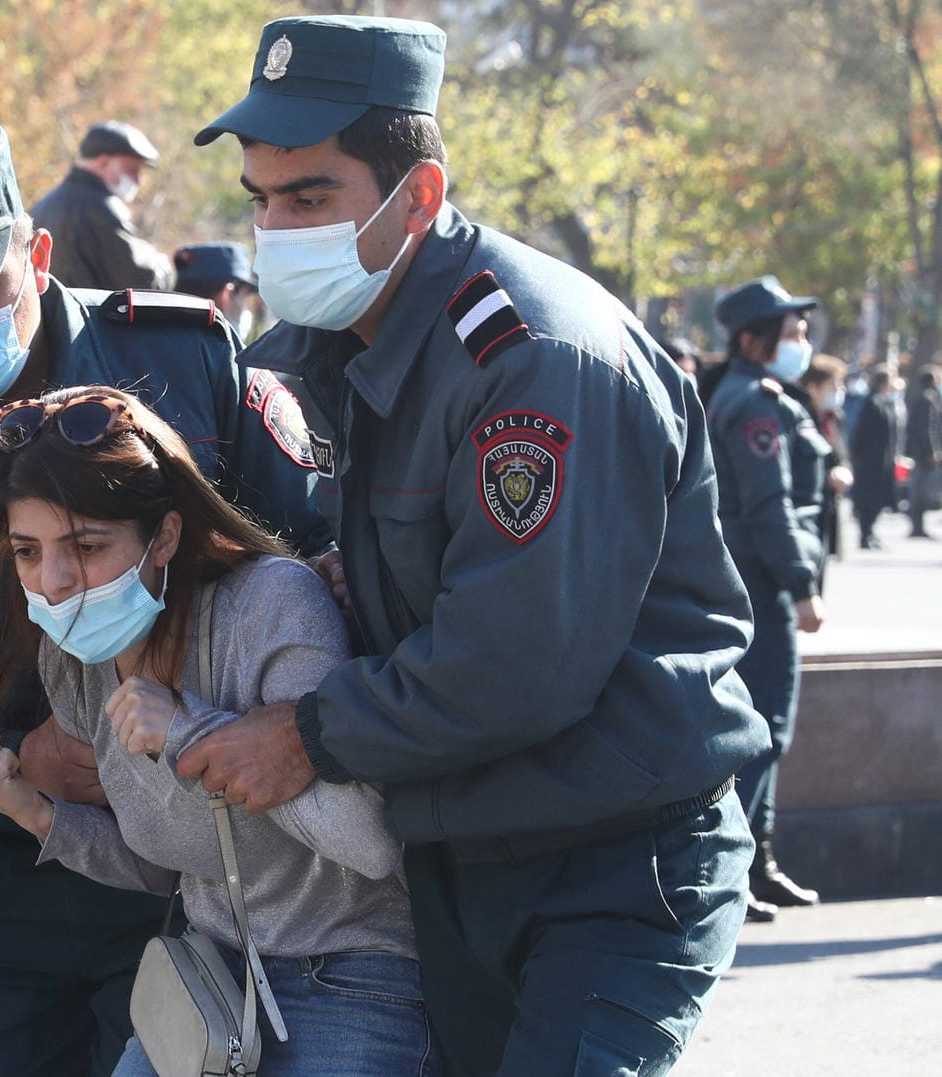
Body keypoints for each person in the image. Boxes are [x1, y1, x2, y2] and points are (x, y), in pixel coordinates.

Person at [172, 16, 768, 1075]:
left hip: (613, 862)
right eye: (262, 199)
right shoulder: (321, 342)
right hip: (459, 858)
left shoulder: (532, 358)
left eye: (311, 197)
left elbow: (515, 661)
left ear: (422, 195)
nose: (276, 228)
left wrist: (305, 733)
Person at [0, 118, 332, 1077]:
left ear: (35, 254)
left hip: (204, 877)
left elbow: (311, 558)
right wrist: (9, 757)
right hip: (2, 884)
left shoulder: (186, 360)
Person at [0, 385, 432, 1076]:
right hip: (209, 988)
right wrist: (29, 809)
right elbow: (161, 864)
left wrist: (193, 731)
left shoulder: (273, 604)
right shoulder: (75, 655)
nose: (52, 582)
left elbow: (370, 842)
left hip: (351, 977)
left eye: (85, 545)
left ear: (165, 535)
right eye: (27, 550)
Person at [708, 277, 831, 922]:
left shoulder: (752, 393)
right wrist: (802, 586)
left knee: (767, 730)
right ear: (754, 341)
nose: (802, 344)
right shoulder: (753, 402)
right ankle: (734, 869)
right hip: (762, 582)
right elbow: (768, 505)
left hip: (753, 579)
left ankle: (760, 864)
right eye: (791, 334)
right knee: (767, 731)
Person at [31, 120, 177, 290]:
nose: (138, 180)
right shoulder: (101, 208)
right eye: (132, 170)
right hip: (86, 315)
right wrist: (163, 266)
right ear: (103, 163)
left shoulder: (45, 203)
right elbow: (139, 280)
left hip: (50, 314)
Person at [798, 355, 854, 581]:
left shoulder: (833, 419)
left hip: (828, 508)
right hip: (806, 511)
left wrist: (844, 471)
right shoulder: (799, 417)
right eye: (833, 386)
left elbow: (840, 455)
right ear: (813, 387)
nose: (839, 391)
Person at [851, 367, 904, 549]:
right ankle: (865, 533)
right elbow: (861, 433)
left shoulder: (884, 402)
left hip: (883, 459)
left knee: (879, 497)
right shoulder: (871, 403)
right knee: (869, 497)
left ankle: (870, 531)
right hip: (870, 460)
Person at [173, 241, 261, 340]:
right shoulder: (223, 353)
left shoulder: (159, 341)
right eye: (244, 298)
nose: (245, 307)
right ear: (226, 295)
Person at [906, 365, 942, 537]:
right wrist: (932, 451)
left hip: (919, 451)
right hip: (924, 454)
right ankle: (917, 526)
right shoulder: (928, 400)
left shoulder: (919, 398)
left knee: (919, 489)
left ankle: (918, 526)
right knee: (920, 490)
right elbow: (928, 428)